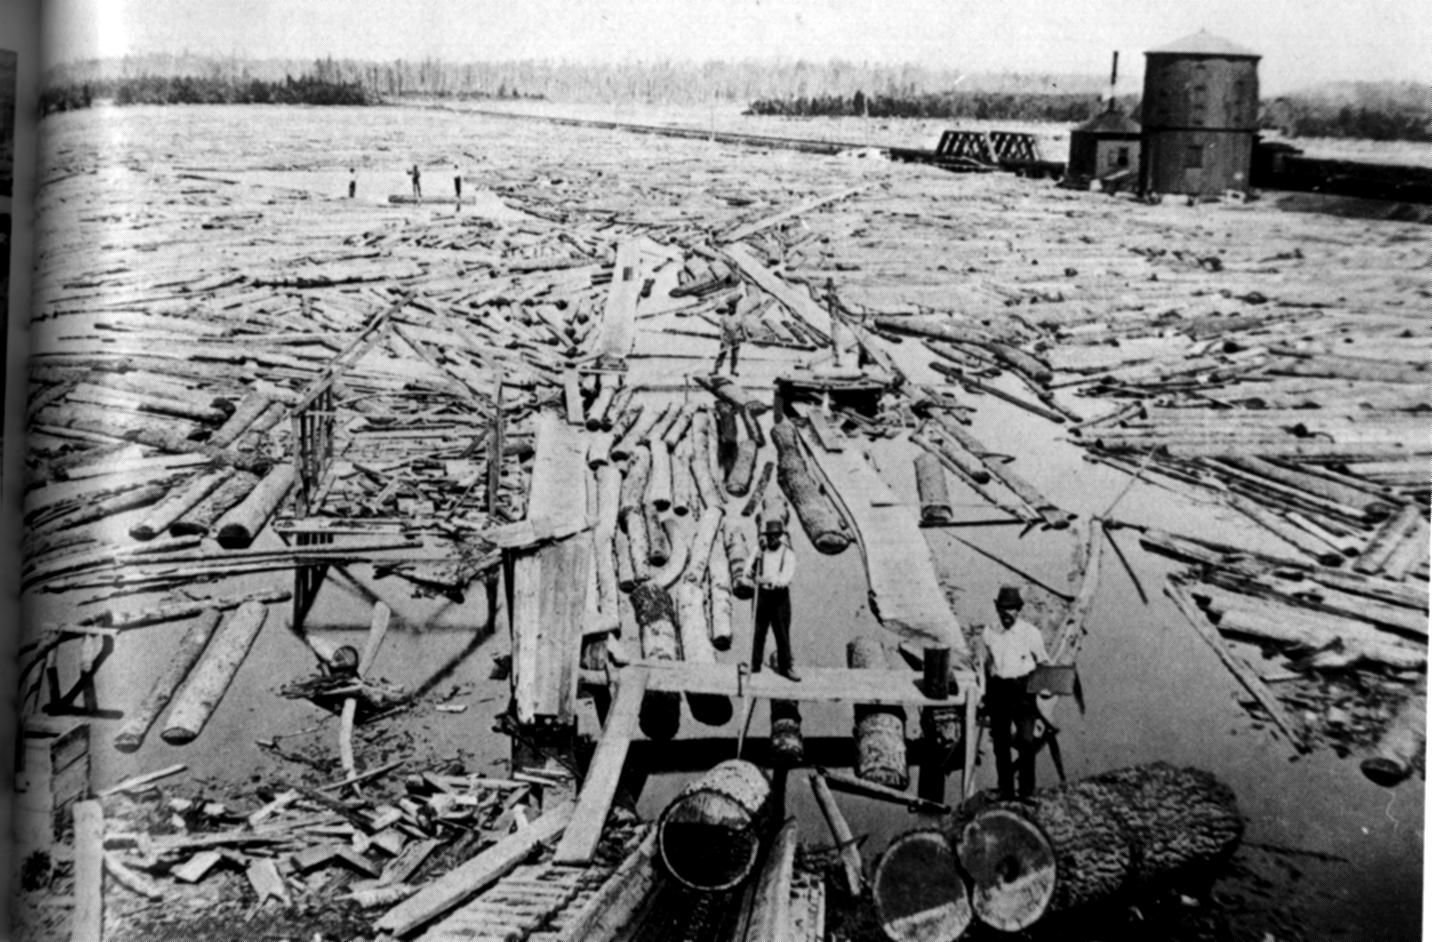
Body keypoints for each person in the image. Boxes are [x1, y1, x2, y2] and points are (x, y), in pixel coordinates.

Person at [980, 585, 1049, 799]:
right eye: (1003, 608)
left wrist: (1044, 689)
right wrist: (984, 694)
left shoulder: (1030, 633)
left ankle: (1027, 791)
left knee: (1026, 741)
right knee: (1000, 744)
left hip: (1022, 690)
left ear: (1018, 610)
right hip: (999, 690)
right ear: (997, 608)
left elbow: (1044, 661)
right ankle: (1005, 790)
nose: (1007, 613)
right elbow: (985, 664)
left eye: (1011, 609)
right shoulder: (989, 632)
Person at [747, 517, 799, 681]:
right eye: (769, 536)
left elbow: (785, 578)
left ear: (780, 536)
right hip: (762, 596)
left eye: (775, 536)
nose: (772, 539)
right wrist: (753, 569)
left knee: (782, 633)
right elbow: (747, 570)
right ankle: (754, 665)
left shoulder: (788, 554)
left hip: (779, 598)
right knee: (759, 632)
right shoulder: (759, 551)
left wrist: (767, 579)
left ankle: (786, 668)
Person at [711, 297, 746, 377]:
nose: (730, 309)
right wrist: (722, 337)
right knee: (722, 353)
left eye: (732, 308)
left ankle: (733, 370)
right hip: (726, 337)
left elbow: (742, 327)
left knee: (735, 355)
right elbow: (721, 328)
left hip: (736, 338)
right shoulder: (724, 317)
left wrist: (745, 336)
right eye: (729, 308)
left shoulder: (738, 317)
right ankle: (715, 369)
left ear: (734, 309)